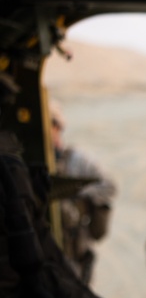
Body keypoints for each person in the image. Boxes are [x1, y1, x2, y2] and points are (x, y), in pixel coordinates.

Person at [49, 101, 117, 286]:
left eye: (50, 125)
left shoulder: (77, 161)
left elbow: (108, 186)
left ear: (57, 127)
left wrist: (78, 202)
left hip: (74, 256)